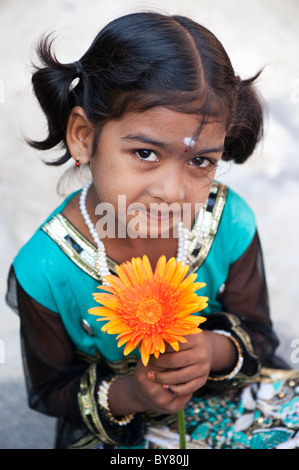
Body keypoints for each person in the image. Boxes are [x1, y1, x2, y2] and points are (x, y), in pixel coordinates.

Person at [6, 12, 299, 450]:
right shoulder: (45, 269)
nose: (171, 190)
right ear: (84, 136)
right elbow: (52, 391)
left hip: (229, 400)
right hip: (128, 430)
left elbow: (258, 335)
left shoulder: (227, 221)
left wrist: (213, 351)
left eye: (200, 161)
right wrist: (133, 393)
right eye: (145, 152)